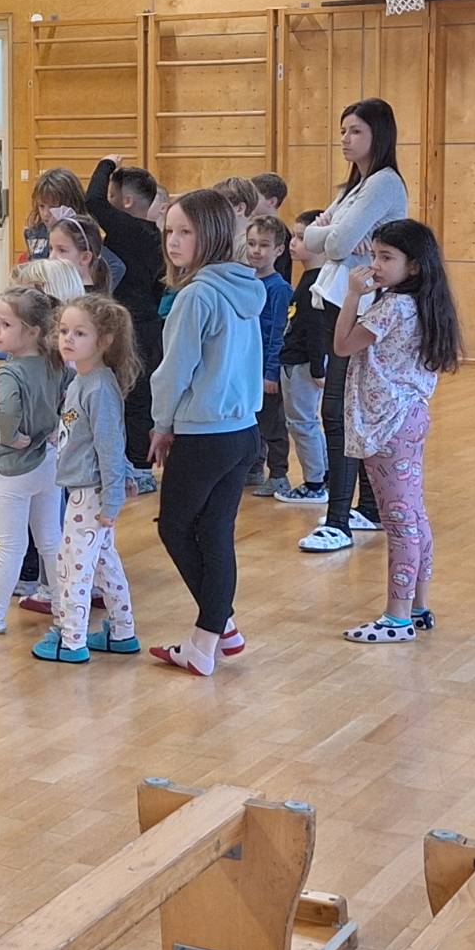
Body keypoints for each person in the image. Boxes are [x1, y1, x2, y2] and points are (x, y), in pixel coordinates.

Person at [147, 190, 263, 676]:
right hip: (242, 430)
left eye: (185, 232)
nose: (173, 241)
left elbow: (174, 372)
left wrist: (161, 424)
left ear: (211, 235)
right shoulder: (244, 286)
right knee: (214, 533)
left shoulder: (196, 295)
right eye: (169, 231)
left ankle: (206, 638)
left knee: (175, 528)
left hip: (205, 433)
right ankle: (221, 630)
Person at [333, 220, 461, 643]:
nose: (375, 264)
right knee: (414, 514)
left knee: (400, 521)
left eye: (386, 257)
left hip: (388, 423)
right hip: (410, 416)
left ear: (415, 265)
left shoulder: (392, 307)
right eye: (375, 255)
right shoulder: (422, 303)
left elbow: (343, 345)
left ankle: (397, 617)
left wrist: (353, 295)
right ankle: (418, 606)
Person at [298, 99, 409, 554]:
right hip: (339, 299)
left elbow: (336, 242)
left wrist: (333, 232)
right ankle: (367, 508)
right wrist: (330, 232)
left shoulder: (383, 183)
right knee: (347, 405)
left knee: (339, 409)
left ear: (378, 135)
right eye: (343, 130)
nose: (345, 139)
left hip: (360, 304)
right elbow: (310, 236)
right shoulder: (356, 186)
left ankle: (338, 520)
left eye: (356, 131)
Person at [33, 294, 141, 664]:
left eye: (80, 333)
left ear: (104, 341)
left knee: (72, 567)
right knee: (104, 562)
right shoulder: (82, 380)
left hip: (90, 494)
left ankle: (71, 639)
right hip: (86, 489)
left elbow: (110, 446)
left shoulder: (98, 387)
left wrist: (113, 498)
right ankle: (122, 631)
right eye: (64, 331)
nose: (68, 339)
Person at [0, 285, 70, 636]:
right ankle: (65, 613)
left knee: (11, 545)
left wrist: (10, 436)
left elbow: (9, 410)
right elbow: (73, 393)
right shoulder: (56, 364)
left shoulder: (10, 373)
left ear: (33, 332)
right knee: (50, 540)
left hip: (13, 469)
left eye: (5, 324)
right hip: (48, 463)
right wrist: (62, 425)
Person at [87, 157, 164, 495]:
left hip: (135, 325)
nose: (110, 203)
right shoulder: (153, 235)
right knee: (135, 395)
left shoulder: (131, 229)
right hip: (145, 322)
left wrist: (107, 164)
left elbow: (92, 201)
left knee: (135, 397)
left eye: (114, 196)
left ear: (127, 201)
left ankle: (140, 467)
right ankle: (133, 464)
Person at [274, 210, 331, 505]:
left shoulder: (316, 284)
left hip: (302, 364)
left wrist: (318, 367)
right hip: (297, 360)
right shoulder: (309, 278)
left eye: (300, 237)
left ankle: (314, 483)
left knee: (301, 422)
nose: (292, 243)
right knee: (307, 421)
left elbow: (318, 329)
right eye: (293, 236)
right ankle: (323, 475)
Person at [244, 215, 294, 497]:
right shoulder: (244, 282)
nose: (256, 251)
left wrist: (271, 372)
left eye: (263, 245)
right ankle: (254, 468)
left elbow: (279, 333)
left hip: (265, 368)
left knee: (272, 424)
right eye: (251, 243)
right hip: (245, 367)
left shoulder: (279, 289)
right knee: (250, 422)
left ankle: (278, 475)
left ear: (278, 250)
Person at [25, 166, 125, 288]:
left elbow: (116, 266)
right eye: (41, 206)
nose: (46, 214)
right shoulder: (34, 233)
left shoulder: (80, 233)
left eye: (53, 207)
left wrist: (90, 292)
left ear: (70, 204)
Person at [47, 211, 109, 293]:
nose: (51, 257)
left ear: (85, 257)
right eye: (51, 248)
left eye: (62, 250)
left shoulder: (89, 299)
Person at [250, 173, 292, 281]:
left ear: (272, 202)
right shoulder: (252, 228)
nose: (249, 202)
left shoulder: (280, 231)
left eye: (254, 197)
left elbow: (279, 268)